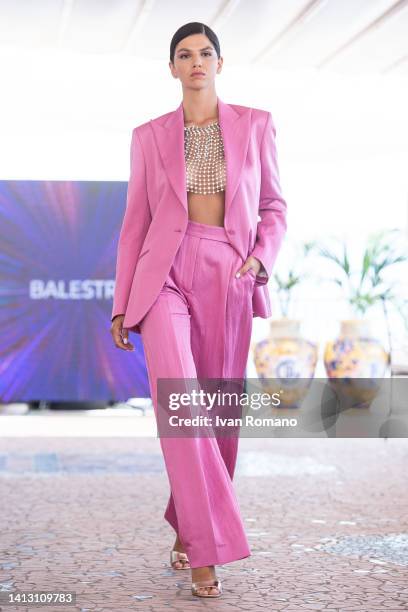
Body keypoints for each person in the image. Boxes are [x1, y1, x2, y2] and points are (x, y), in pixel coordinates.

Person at [110, 21, 287, 598]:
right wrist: (122, 304)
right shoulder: (148, 136)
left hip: (230, 274)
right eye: (184, 55)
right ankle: (207, 553)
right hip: (163, 275)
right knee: (181, 399)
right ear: (171, 68)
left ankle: (190, 524)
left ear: (219, 62)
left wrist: (261, 259)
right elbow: (134, 223)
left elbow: (274, 206)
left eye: (205, 53)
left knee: (216, 415)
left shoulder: (256, 125)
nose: (195, 63)